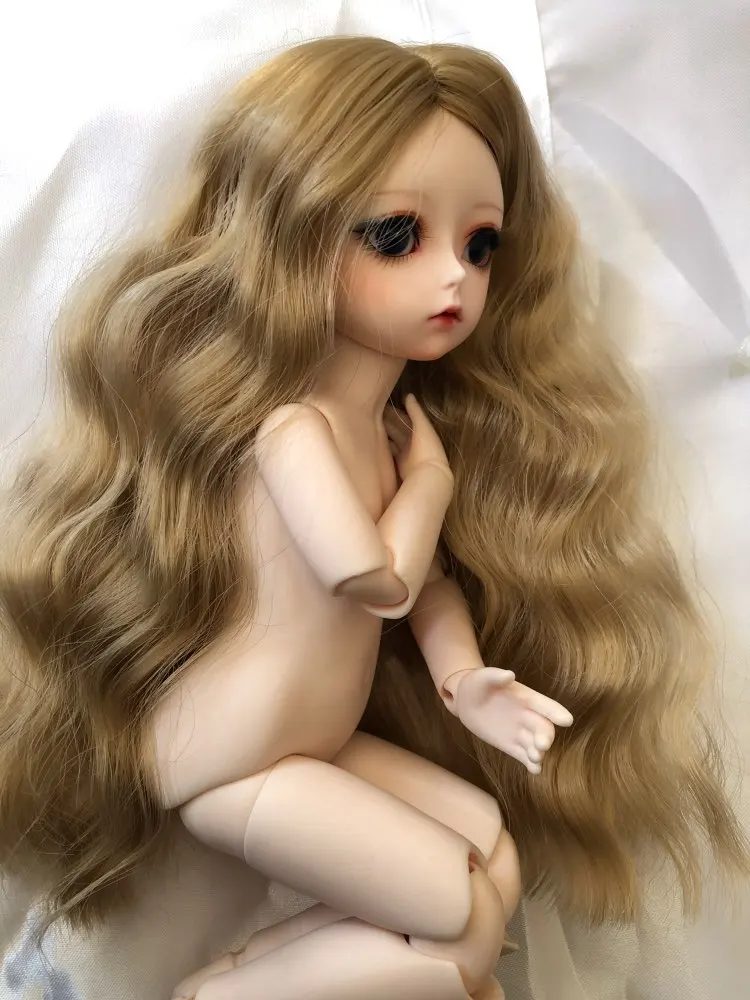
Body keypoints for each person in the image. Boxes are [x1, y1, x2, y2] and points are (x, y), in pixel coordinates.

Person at [0, 35, 746, 1000]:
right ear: (297, 233)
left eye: (480, 245)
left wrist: (465, 680)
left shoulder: (378, 431)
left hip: (314, 741)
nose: (456, 279)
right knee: (450, 913)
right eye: (397, 236)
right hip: (235, 761)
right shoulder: (294, 430)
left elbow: (427, 590)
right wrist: (429, 483)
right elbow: (376, 579)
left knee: (494, 864)